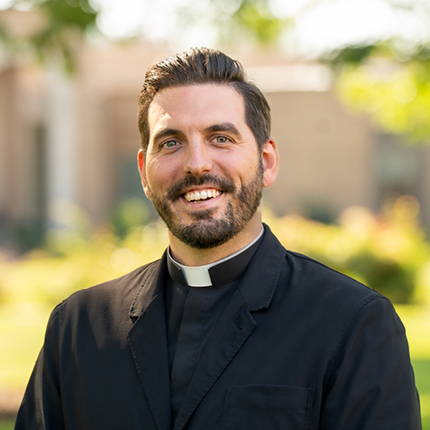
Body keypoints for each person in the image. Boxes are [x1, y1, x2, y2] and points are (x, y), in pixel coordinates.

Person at [15, 47, 421, 430]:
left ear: (266, 161)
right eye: (171, 142)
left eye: (221, 138)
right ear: (143, 171)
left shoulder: (353, 325)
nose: (196, 164)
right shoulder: (78, 327)